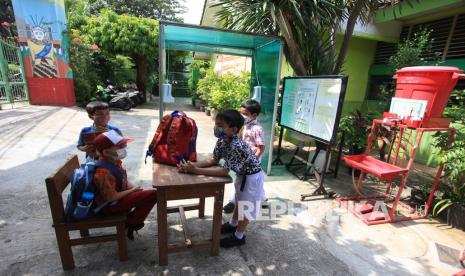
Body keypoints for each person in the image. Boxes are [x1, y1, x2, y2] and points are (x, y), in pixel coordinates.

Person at [178, 109, 265, 248]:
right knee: (239, 201)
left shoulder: (237, 145)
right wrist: (192, 165)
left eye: (221, 125)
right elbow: (213, 159)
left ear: (234, 129)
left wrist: (195, 170)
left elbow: (225, 171)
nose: (216, 128)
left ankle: (239, 236)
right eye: (216, 124)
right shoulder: (223, 140)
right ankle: (233, 225)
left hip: (251, 178)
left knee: (246, 207)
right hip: (242, 176)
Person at [93, 130, 157, 240]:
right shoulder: (102, 172)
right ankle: (131, 223)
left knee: (145, 194)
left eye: (124, 145)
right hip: (107, 206)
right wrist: (132, 191)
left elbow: (123, 180)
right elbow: (110, 197)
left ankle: (132, 222)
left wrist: (134, 188)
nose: (124, 149)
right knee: (153, 194)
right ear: (106, 152)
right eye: (120, 147)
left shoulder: (114, 161)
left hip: (115, 199)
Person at [223, 99, 265, 214]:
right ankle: (262, 198)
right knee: (248, 182)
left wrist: (252, 160)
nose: (242, 116)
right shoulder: (245, 125)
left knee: (244, 182)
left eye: (245, 114)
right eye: (241, 113)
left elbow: (261, 148)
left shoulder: (257, 129)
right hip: (245, 158)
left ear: (254, 115)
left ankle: (233, 202)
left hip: (252, 160)